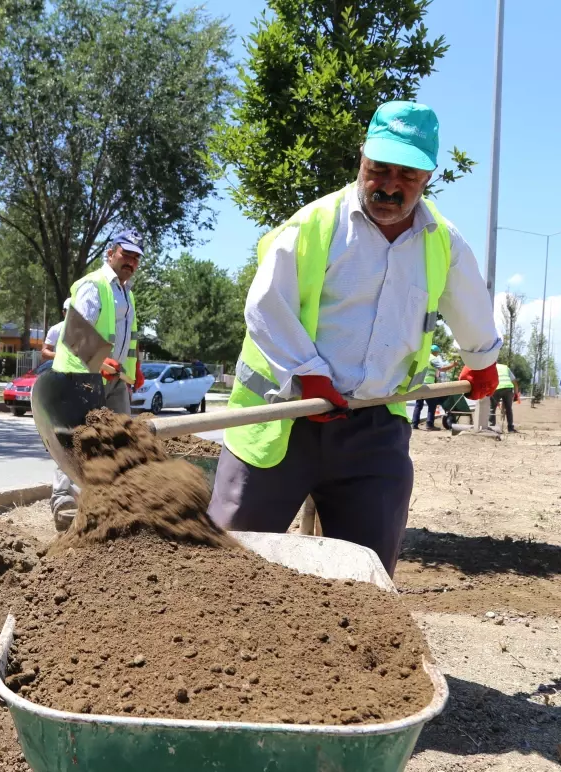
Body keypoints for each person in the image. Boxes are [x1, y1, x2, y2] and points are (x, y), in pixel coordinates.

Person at [207, 101, 502, 575]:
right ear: (361, 159)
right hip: (283, 419)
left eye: (406, 175)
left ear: (428, 177)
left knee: (367, 574)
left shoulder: (442, 241)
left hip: (373, 427)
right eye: (378, 169)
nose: (388, 185)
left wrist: (481, 358)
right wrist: (308, 374)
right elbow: (266, 307)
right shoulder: (315, 226)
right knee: (230, 560)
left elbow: (468, 301)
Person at [49, 229, 147, 530]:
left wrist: (135, 368)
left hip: (115, 378)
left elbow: (126, 339)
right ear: (110, 253)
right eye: (125, 254)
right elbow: (75, 330)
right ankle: (63, 499)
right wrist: (97, 361)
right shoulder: (95, 285)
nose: (130, 261)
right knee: (76, 438)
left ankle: (112, 503)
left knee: (122, 438)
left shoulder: (126, 293)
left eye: (136, 257)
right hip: (83, 375)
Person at [412, 344, 452, 431]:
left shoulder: (423, 357)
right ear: (434, 351)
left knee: (418, 405)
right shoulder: (433, 359)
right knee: (432, 405)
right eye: (437, 352)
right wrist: (453, 365)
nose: (437, 354)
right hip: (428, 385)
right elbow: (442, 369)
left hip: (419, 384)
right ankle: (429, 424)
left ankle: (414, 424)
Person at [488, 362, 519, 432]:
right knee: (509, 409)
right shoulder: (505, 367)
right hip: (508, 388)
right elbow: (514, 381)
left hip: (496, 388)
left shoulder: (490, 368)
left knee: (492, 408)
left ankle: (492, 427)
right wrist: (516, 393)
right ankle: (510, 428)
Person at [40, 298, 70, 362]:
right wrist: (61, 356)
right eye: (69, 311)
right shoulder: (55, 329)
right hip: (60, 371)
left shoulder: (87, 330)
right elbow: (44, 352)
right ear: (64, 312)